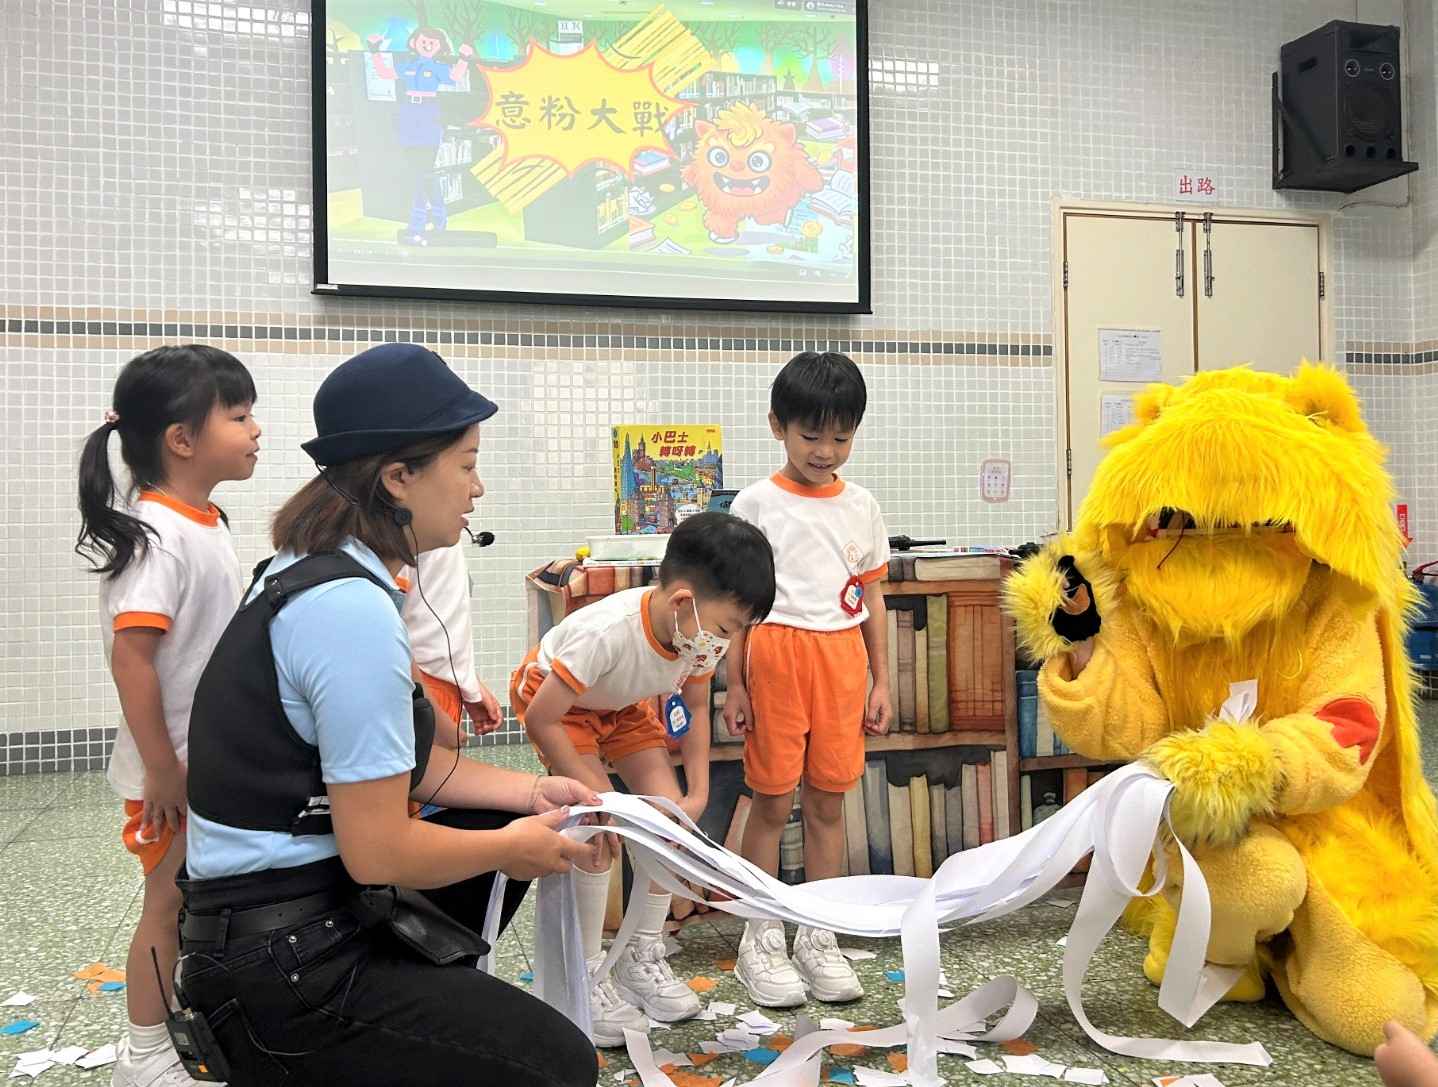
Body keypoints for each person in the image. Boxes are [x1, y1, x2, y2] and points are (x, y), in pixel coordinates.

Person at [177, 343, 600, 1087]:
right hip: (279, 964)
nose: (477, 488)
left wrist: (535, 794)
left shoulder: (314, 570)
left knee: (488, 819)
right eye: (466, 465)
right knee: (559, 1063)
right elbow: (376, 850)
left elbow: (412, 766)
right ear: (398, 477)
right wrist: (509, 847)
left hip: (277, 917)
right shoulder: (348, 611)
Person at [511, 511, 775, 1044]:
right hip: (556, 706)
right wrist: (599, 798)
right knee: (598, 831)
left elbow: (694, 708)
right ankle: (583, 973)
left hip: (622, 706)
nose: (727, 642)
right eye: (728, 628)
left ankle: (640, 955)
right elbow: (541, 718)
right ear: (683, 602)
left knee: (665, 826)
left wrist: (695, 794)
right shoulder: (605, 633)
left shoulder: (697, 636)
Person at [76, 345, 261, 1087]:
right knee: (168, 901)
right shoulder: (156, 534)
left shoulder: (205, 519)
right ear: (182, 439)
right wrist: (162, 769)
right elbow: (133, 660)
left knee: (196, 901)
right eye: (239, 416)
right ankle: (144, 1052)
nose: (255, 430)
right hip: (174, 769)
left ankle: (182, 1027)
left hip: (205, 760)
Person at [724, 350, 891, 1008]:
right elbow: (737, 606)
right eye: (811, 434)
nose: (826, 451)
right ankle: (760, 933)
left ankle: (818, 932)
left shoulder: (862, 505)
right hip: (775, 656)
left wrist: (881, 680)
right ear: (777, 426)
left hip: (842, 660)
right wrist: (736, 685)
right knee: (770, 801)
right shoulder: (754, 503)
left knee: (827, 803)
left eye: (841, 437)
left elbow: (873, 598)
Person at [401, 542, 503, 750]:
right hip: (417, 685)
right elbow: (382, 629)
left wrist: (469, 682)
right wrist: (436, 717)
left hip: (438, 685)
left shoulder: (442, 536)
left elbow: (442, 615)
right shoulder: (399, 536)